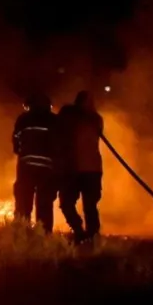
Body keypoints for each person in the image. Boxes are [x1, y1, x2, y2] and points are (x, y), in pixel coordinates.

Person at [57, 90, 104, 242]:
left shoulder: (94, 119)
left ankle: (92, 235)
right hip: (73, 168)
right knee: (66, 203)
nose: (91, 104)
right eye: (88, 101)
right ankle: (79, 230)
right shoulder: (71, 116)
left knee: (90, 205)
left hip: (90, 169)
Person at [11, 92, 60, 233]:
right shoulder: (54, 120)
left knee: (23, 203)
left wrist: (23, 153)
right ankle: (43, 236)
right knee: (44, 204)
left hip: (26, 167)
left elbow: (16, 141)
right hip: (47, 169)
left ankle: (21, 234)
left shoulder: (23, 119)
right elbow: (61, 144)